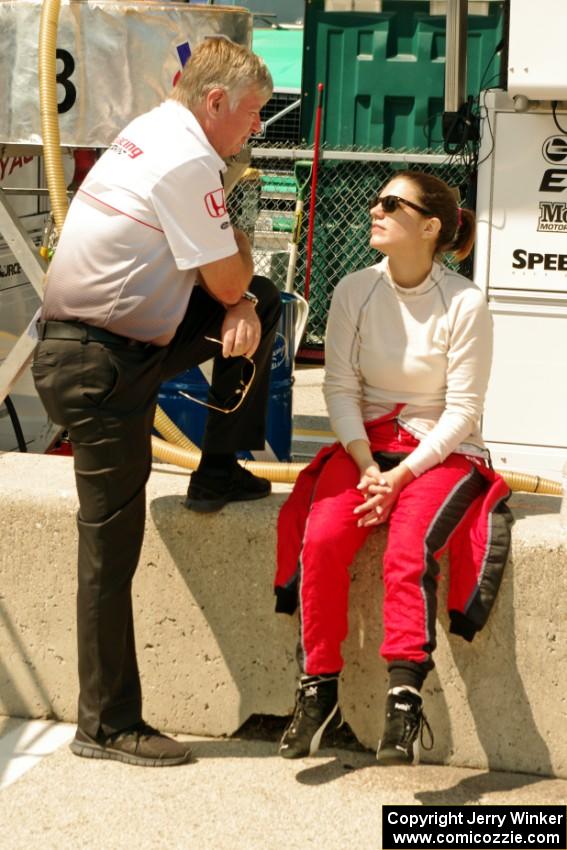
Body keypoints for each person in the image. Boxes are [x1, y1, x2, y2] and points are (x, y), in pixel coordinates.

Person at [32, 38, 281, 768]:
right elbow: (227, 279)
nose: (255, 128)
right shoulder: (187, 159)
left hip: (115, 351)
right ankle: (105, 725)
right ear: (215, 102)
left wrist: (238, 298)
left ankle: (219, 468)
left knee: (261, 302)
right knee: (110, 554)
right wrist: (235, 293)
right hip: (99, 364)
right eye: (252, 113)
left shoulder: (149, 132)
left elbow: (232, 284)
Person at [275, 170, 513, 765]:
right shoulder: (356, 289)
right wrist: (365, 465)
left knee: (408, 549)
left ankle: (405, 698)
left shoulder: (465, 301)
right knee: (324, 537)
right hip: (366, 449)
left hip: (439, 452)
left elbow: (463, 411)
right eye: (377, 201)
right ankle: (318, 687)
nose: (375, 211)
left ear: (430, 227)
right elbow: (337, 387)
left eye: (391, 204)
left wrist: (399, 476)